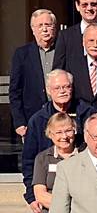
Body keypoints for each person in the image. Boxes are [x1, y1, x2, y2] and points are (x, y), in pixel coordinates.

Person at [21, 70, 81, 213]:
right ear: (49, 91)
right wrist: (31, 197)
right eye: (57, 88)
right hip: (46, 187)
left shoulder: (86, 114)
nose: (62, 91)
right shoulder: (37, 121)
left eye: (66, 87)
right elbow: (28, 162)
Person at [11, 9, 58, 140]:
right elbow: (15, 91)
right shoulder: (22, 54)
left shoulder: (63, 50)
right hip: (31, 121)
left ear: (54, 28)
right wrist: (19, 122)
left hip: (60, 120)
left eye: (48, 25)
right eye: (40, 26)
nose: (44, 29)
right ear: (33, 29)